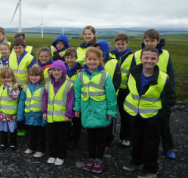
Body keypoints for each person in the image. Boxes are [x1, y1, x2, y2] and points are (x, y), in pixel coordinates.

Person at [122, 29, 176, 159]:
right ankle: (136, 146)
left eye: (152, 41)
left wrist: (170, 91)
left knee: (164, 123)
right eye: (147, 41)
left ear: (158, 41)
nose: (149, 43)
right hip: (142, 94)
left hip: (160, 92)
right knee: (138, 126)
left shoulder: (166, 54)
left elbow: (171, 74)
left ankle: (167, 147)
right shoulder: (137, 55)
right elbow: (133, 74)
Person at [74, 47, 117, 172]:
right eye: (89, 59)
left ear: (100, 61)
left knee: (101, 137)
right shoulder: (80, 75)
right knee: (90, 137)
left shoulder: (105, 76)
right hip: (87, 112)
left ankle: (99, 160)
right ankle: (91, 158)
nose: (91, 62)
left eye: (95, 59)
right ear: (85, 60)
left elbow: (111, 96)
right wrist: (77, 107)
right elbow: (77, 93)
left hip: (101, 112)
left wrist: (111, 111)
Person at [43, 60, 76, 167]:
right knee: (51, 138)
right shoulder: (48, 85)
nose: (56, 72)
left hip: (63, 119)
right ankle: (52, 155)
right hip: (51, 117)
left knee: (62, 139)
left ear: (63, 72)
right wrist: (44, 111)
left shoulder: (69, 85)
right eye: (53, 70)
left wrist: (68, 115)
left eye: (58, 70)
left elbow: (70, 102)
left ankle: (61, 156)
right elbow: (45, 99)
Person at [110, 33, 133, 148]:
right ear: (115, 43)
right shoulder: (110, 55)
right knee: (111, 115)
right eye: (118, 44)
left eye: (122, 44)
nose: (120, 46)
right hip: (113, 90)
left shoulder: (132, 57)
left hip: (125, 91)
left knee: (125, 115)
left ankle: (125, 138)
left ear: (127, 43)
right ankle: (110, 136)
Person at [18, 66, 46, 157]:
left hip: (40, 115)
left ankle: (41, 149)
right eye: (32, 75)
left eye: (36, 75)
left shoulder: (44, 88)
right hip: (29, 115)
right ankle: (32, 147)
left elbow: (46, 103)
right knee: (32, 132)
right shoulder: (26, 88)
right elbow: (21, 101)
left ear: (41, 76)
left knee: (41, 133)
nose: (33, 77)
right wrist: (20, 115)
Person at [0, 67, 21, 151]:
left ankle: (13, 144)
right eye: (4, 77)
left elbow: (14, 96)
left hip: (11, 113)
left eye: (8, 77)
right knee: (3, 130)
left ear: (12, 77)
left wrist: (9, 87)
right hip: (2, 112)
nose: (6, 79)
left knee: (12, 130)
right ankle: (3, 143)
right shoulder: (1, 86)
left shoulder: (15, 86)